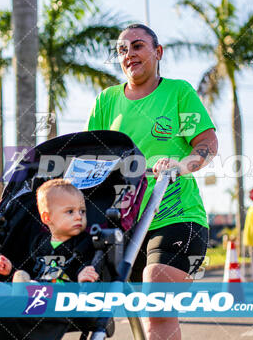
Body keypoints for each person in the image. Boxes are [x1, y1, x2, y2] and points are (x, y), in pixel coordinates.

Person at [86, 23, 218, 340]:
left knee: (157, 309)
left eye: (137, 46)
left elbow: (207, 143)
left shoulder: (178, 93)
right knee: (98, 314)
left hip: (176, 216)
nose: (129, 54)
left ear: (157, 52)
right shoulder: (107, 101)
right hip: (122, 224)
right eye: (122, 49)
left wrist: (182, 165)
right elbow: (92, 157)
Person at [0, 179, 99, 291]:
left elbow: (85, 264)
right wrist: (10, 271)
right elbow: (25, 272)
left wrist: (82, 275)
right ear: (47, 218)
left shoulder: (83, 242)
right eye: (70, 212)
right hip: (30, 287)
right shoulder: (39, 242)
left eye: (82, 211)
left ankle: (9, 293)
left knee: (30, 287)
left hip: (60, 294)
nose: (79, 216)